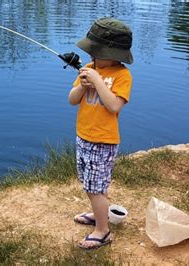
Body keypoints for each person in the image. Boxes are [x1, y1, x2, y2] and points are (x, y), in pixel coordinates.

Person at [68, 17, 133, 250]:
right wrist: (83, 85)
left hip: (103, 141)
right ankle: (100, 214)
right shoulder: (90, 69)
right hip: (83, 136)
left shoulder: (121, 76)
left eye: (98, 51)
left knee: (96, 187)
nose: (93, 56)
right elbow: (72, 100)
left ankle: (103, 231)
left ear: (114, 53)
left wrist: (97, 81)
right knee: (90, 183)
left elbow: (114, 106)